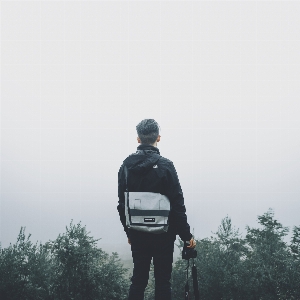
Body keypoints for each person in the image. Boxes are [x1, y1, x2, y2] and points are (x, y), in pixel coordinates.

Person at [117, 119, 196, 300]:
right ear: (158, 138)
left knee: (138, 281)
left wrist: (128, 231)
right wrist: (186, 236)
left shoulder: (126, 166)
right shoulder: (166, 166)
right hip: (164, 234)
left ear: (138, 139)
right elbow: (177, 204)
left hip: (137, 232)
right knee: (163, 282)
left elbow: (121, 204)